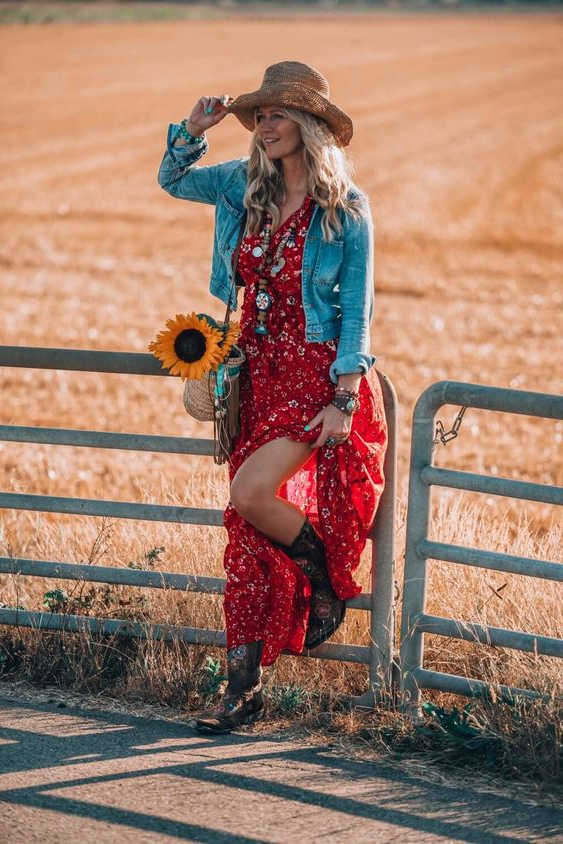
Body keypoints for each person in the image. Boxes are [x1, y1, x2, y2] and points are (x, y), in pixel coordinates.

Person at [158, 61, 388, 733]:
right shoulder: (241, 185)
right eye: (259, 116)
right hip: (255, 375)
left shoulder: (344, 205)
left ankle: (320, 580)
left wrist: (342, 397)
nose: (265, 127)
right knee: (247, 533)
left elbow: (357, 310)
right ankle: (240, 688)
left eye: (278, 115)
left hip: (314, 375)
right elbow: (172, 181)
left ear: (310, 126)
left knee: (250, 498)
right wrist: (191, 132)